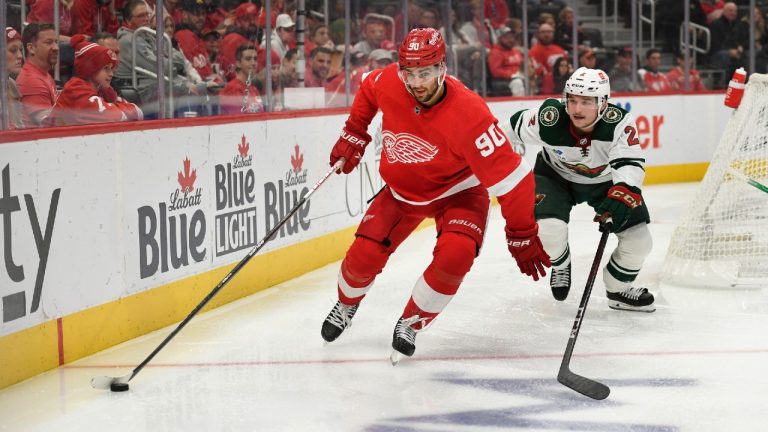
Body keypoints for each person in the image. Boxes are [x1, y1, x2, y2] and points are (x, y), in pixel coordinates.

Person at [320, 28, 550, 362]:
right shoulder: (388, 82)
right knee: (363, 256)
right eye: (408, 72)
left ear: (442, 69)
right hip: (402, 192)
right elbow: (369, 87)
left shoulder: (470, 114)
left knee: (456, 255)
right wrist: (355, 131)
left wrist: (522, 231)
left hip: (458, 193)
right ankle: (346, 305)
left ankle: (412, 321)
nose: (415, 82)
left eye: (424, 73)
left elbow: (515, 180)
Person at [508, 67, 655, 312]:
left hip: (606, 182)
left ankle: (618, 289)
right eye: (572, 100)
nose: (576, 109)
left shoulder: (618, 123)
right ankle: (561, 263)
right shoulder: (549, 117)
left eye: (586, 101)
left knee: (639, 241)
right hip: (555, 177)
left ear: (604, 102)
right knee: (548, 231)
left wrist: (622, 195)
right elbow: (502, 133)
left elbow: (629, 163)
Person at [48, 34, 142, 126]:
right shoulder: (76, 90)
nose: (111, 74)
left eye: (111, 68)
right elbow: (113, 117)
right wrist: (119, 109)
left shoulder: (103, 89)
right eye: (106, 68)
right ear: (91, 68)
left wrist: (117, 108)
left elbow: (137, 110)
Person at [16, 23, 59, 127]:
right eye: (49, 43)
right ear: (31, 48)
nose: (56, 47)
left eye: (56, 42)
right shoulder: (31, 80)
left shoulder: (44, 75)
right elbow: (48, 124)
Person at [218, 44, 262, 115]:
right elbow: (239, 122)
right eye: (248, 59)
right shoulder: (231, 90)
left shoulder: (253, 88)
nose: (253, 63)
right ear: (238, 63)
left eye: (255, 59)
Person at [3, 27, 24, 129]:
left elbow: (18, 127)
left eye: (20, 50)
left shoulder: (12, 84)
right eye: (13, 50)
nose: (20, 56)